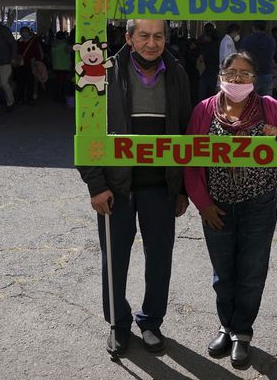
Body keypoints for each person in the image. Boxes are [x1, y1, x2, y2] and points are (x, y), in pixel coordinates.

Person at [78, 19, 192, 357]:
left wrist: (182, 186)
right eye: (143, 35)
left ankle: (151, 322)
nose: (151, 43)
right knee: (114, 260)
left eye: (158, 36)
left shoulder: (178, 74)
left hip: (161, 187)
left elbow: (186, 131)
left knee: (159, 258)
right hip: (116, 188)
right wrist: (95, 185)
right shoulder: (101, 74)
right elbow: (86, 132)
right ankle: (118, 324)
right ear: (128, 38)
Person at [184, 51, 277, 369]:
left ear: (255, 79)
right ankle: (225, 327)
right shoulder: (203, 110)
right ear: (220, 76)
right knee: (223, 275)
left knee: (252, 273)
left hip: (260, 203)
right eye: (232, 72)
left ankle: (242, 334)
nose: (238, 79)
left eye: (245, 73)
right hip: (217, 206)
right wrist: (204, 205)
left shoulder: (271, 108)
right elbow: (191, 160)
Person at [240, 21, 277, 96]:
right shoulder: (271, 40)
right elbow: (272, 55)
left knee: (251, 102)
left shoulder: (248, 40)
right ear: (266, 28)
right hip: (267, 74)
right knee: (267, 102)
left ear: (253, 27)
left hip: (252, 75)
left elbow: (241, 56)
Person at [15, 26, 43, 105]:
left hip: (31, 65)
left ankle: (29, 98)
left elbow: (38, 54)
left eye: (25, 31)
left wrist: (36, 63)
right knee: (20, 82)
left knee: (30, 82)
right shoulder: (18, 42)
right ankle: (21, 98)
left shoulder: (33, 42)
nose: (24, 33)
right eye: (22, 32)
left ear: (29, 32)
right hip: (20, 65)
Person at [197, 23, 221, 100]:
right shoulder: (219, 44)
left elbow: (202, 58)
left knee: (202, 92)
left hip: (206, 71)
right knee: (212, 93)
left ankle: (202, 108)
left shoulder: (206, 46)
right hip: (215, 71)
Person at [49, 31, 73, 102]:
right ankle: (61, 98)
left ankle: (56, 97)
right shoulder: (66, 45)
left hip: (55, 66)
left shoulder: (53, 45)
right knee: (63, 84)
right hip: (64, 67)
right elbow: (73, 50)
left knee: (57, 83)